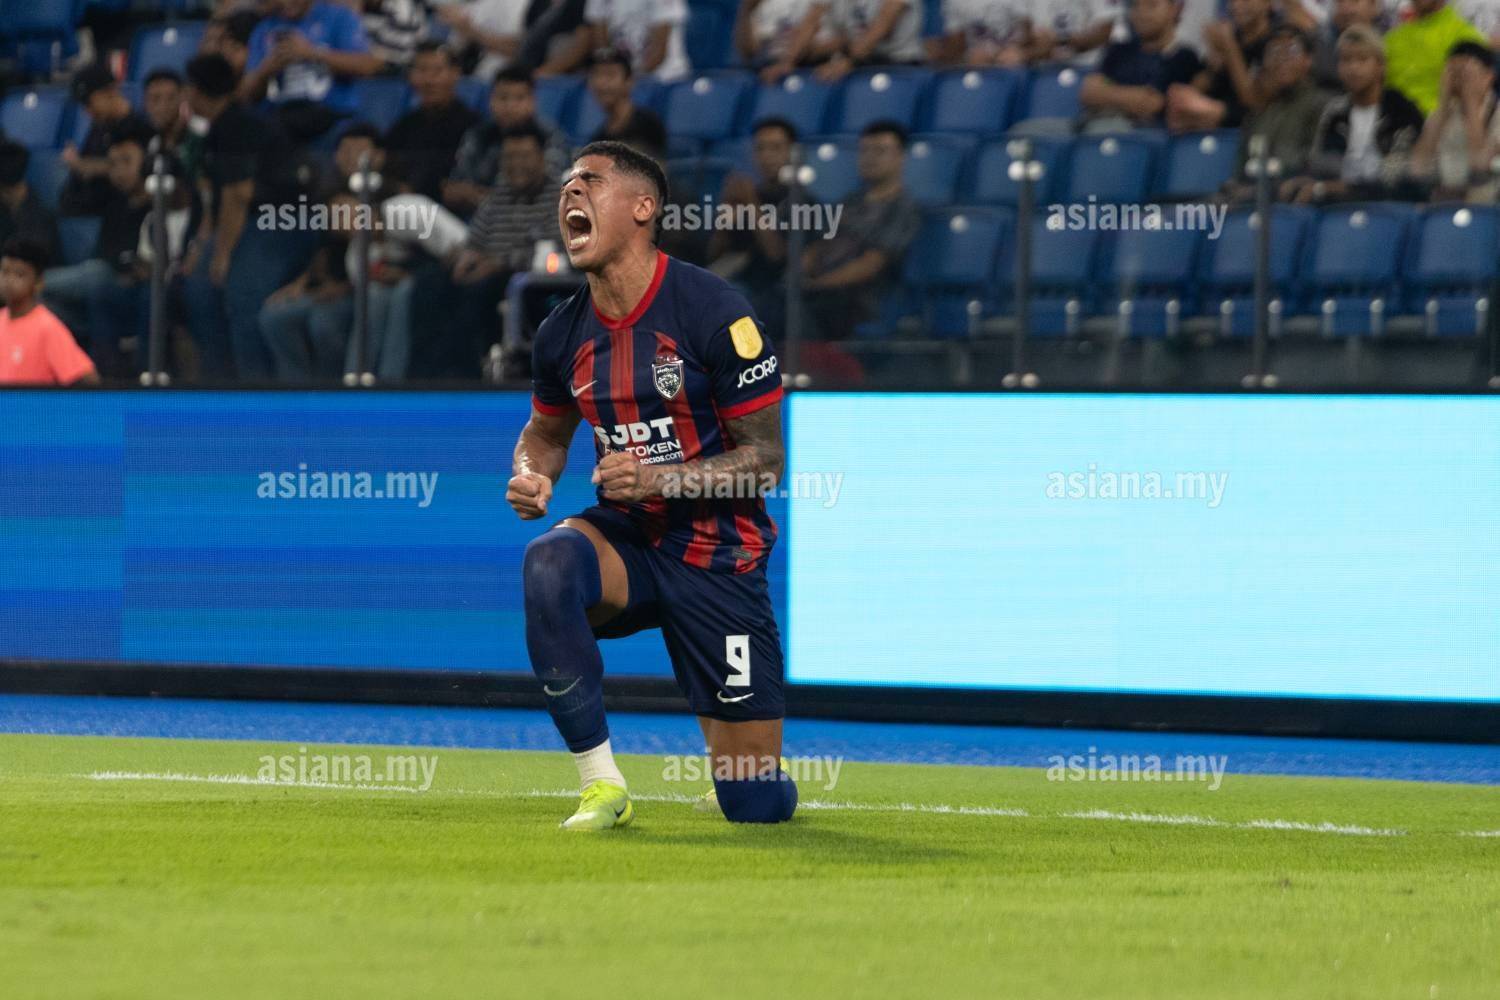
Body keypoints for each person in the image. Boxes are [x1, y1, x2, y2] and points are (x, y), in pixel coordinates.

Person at [507, 140, 795, 829]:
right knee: (548, 564)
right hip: (630, 541)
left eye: (590, 181)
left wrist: (658, 477)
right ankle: (601, 785)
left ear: (643, 208)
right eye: (567, 184)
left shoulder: (714, 311)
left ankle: (746, 771)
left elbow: (766, 462)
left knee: (753, 804)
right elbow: (545, 436)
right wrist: (530, 476)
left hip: (719, 554)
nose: (570, 192)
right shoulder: (561, 333)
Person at [181, 52, 315, 380]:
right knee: (198, 289)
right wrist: (203, 245)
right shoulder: (216, 130)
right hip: (251, 221)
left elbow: (238, 194)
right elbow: (215, 195)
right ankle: (219, 380)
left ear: (196, 91)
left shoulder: (239, 124)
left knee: (242, 293)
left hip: (283, 220)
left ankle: (257, 388)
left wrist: (223, 254)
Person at [416, 123, 557, 378]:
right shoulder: (498, 194)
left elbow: (553, 250)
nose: (516, 164)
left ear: (542, 159)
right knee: (429, 282)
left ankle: (469, 373)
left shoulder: (558, 196)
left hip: (527, 281)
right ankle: (426, 373)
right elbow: (475, 240)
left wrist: (497, 263)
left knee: (485, 290)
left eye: (524, 156)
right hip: (482, 271)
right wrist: (464, 257)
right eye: (510, 157)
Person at [41, 130, 155, 371]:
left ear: (147, 166)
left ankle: (31, 280)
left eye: (126, 162)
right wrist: (81, 171)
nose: (119, 171)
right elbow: (68, 205)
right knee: (36, 304)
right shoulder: (114, 199)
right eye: (112, 165)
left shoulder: (159, 205)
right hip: (99, 298)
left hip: (136, 295)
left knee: (97, 272)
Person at [801, 120, 920, 340]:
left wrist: (816, 285)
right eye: (865, 150)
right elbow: (817, 245)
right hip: (816, 295)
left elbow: (871, 264)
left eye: (880, 151)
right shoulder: (849, 202)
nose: (870, 158)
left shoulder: (903, 208)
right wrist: (799, 277)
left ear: (901, 157)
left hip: (858, 301)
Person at [1280, 24, 1422, 203]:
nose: (1353, 68)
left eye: (1362, 60)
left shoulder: (1402, 111)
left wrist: (1335, 188)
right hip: (1336, 205)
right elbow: (1321, 164)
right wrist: (1305, 181)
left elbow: (1397, 179)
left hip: (1387, 206)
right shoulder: (1335, 112)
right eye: (1346, 60)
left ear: (1380, 66)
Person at [240, 0, 383, 143]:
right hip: (280, 118)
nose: (285, 3)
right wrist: (266, 70)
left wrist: (311, 54)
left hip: (333, 115)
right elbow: (245, 95)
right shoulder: (264, 29)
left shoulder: (338, 17)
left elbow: (368, 67)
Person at [445, 65, 572, 217]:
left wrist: (479, 195)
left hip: (531, 220)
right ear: (491, 100)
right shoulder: (478, 135)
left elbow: (546, 193)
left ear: (533, 101)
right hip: (474, 222)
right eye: (503, 98)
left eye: (519, 98)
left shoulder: (549, 137)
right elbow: (453, 190)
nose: (510, 106)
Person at [1222, 24, 1328, 198]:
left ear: (1308, 60)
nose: (1282, 59)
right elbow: (1241, 166)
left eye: (1292, 51)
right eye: (1274, 52)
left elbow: (1315, 161)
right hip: (1248, 195)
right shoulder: (1260, 110)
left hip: (1291, 195)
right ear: (1264, 62)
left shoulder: (1322, 105)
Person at [706, 117, 794, 319]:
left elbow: (776, 256)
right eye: (760, 148)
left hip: (774, 294)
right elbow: (714, 254)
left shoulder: (801, 200)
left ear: (792, 152)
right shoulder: (746, 195)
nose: (767, 156)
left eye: (776, 148)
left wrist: (751, 203)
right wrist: (726, 210)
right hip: (736, 282)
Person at [1080, 0, 1202, 131]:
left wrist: (1108, 93)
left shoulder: (1183, 57)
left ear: (1174, 9)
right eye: (1136, 6)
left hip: (1149, 135)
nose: (1142, 13)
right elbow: (1089, 92)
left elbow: (1150, 104)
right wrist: (1134, 96)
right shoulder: (1118, 50)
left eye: (1151, 5)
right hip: (1097, 128)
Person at [383, 43, 480, 200]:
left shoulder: (473, 126)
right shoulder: (404, 125)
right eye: (422, 71)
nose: (429, 80)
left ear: (455, 74)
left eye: (437, 71)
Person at [1409, 39, 1500, 202]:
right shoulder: (1440, 115)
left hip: (1488, 202)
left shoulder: (1497, 113)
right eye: (1454, 74)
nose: (1461, 81)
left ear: (1488, 76)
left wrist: (1471, 103)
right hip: (1443, 201)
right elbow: (1418, 168)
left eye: (1466, 74)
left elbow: (1480, 167)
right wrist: (1443, 103)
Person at [0, 239, 99, 386]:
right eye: (5, 272)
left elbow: (89, 379)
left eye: (19, 274)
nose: (9, 281)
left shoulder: (48, 328)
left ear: (38, 283)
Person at [1168, 0, 1278, 131]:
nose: (1237, 5)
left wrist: (1229, 47)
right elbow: (1202, 86)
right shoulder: (1231, 36)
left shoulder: (1276, 41)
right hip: (1216, 120)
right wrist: (1214, 62)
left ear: (1268, 3)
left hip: (1254, 123)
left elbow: (1253, 100)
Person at [59, 64, 152, 216]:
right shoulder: (99, 126)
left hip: (123, 216)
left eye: (89, 103)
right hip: (86, 213)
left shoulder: (138, 127)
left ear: (110, 92)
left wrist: (83, 165)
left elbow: (131, 172)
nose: (87, 111)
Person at [1385, 0, 1485, 114]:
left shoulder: (1466, 37)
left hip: (1442, 120)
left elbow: (1474, 99)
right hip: (1391, 119)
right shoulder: (1392, 39)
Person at [585, 47, 668, 161]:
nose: (601, 83)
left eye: (610, 75)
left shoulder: (648, 125)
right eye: (596, 74)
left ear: (629, 81)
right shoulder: (598, 138)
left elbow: (654, 169)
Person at [810, 0, 926, 81]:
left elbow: (883, 25)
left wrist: (848, 61)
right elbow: (840, 38)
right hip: (863, 62)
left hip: (901, 64)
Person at [0, 141, 60, 267]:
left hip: (37, 274)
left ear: (5, 191)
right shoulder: (6, 207)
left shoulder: (40, 216)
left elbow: (26, 264)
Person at [933, 0, 1030, 67]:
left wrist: (1023, 53)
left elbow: (1030, 35)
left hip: (1019, 68)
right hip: (976, 67)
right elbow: (955, 45)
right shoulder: (955, 2)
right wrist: (967, 57)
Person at [1309, 0, 1381, 89]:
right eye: (1340, 2)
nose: (1346, 9)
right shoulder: (1317, 43)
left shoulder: (1389, 41)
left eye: (1355, 2)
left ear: (1373, 5)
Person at [360, 0, 429, 70]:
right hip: (371, 59)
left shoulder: (402, 6)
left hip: (398, 66)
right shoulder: (364, 6)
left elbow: (402, 51)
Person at [142, 69, 188, 153]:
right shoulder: (153, 144)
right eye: (155, 99)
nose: (162, 106)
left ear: (183, 99)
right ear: (145, 103)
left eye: (171, 98)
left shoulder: (201, 136)